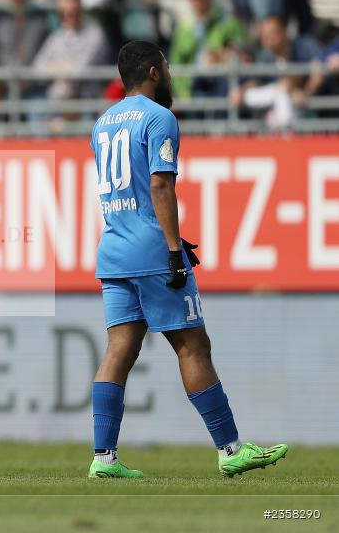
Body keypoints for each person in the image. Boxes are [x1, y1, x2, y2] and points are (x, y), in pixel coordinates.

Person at [87, 40, 289, 478]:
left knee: (118, 349)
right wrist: (175, 249)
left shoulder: (102, 124)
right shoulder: (160, 118)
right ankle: (231, 449)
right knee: (194, 346)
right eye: (167, 66)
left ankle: (104, 459)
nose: (171, 74)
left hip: (114, 249)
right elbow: (160, 186)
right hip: (152, 250)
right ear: (153, 72)